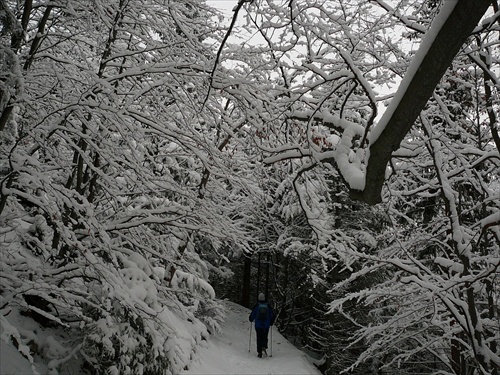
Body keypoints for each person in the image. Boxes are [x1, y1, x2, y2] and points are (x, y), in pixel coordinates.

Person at [249, 293, 275, 358]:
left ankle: (259, 352)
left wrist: (251, 319)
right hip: (266, 325)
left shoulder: (257, 306)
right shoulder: (268, 306)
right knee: (265, 336)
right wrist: (271, 322)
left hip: (258, 325)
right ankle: (264, 347)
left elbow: (253, 315)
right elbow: (271, 315)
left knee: (259, 337)